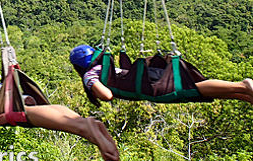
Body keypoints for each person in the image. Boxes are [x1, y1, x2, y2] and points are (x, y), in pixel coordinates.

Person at [70, 44, 253, 104]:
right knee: (196, 90)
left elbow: (107, 95)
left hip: (148, 85)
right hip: (147, 77)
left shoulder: (90, 76)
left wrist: (95, 89)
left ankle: (242, 86)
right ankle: (245, 95)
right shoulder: (104, 67)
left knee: (189, 88)